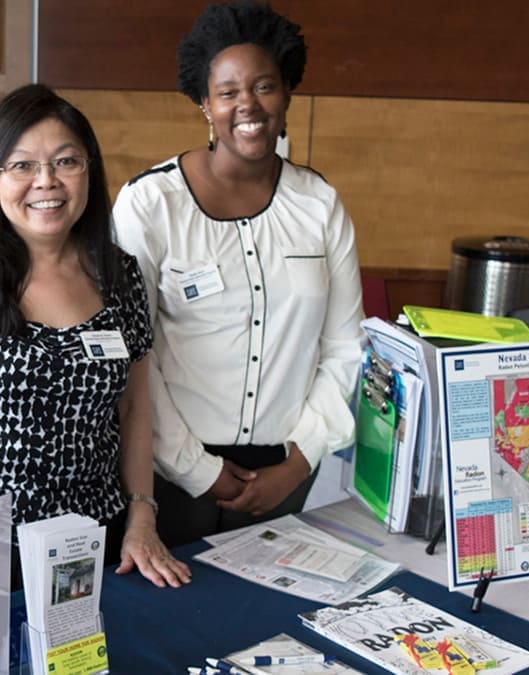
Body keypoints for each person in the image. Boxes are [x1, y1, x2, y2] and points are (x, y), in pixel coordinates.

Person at [0, 83, 192, 589]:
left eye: (66, 162)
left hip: (87, 539)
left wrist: (142, 515)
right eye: (21, 165)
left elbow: (135, 409)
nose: (46, 182)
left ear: (89, 169)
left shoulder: (120, 276)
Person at [112, 1, 365, 548]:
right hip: (169, 473)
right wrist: (198, 470)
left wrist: (298, 462)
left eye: (264, 86)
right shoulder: (150, 205)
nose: (247, 105)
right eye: (228, 92)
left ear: (288, 93)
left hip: (288, 474)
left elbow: (345, 348)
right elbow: (136, 356)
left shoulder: (320, 206)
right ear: (205, 103)